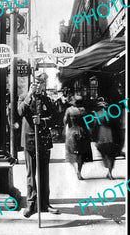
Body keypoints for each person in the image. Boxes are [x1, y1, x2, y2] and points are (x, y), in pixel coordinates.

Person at [17, 71, 60, 218]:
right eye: (36, 83)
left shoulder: (47, 100)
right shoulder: (23, 98)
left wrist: (43, 121)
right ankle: (31, 203)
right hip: (29, 141)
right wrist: (29, 95)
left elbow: (55, 119)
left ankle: (45, 203)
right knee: (31, 174)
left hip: (44, 141)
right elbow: (20, 111)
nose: (39, 86)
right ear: (31, 84)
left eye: (41, 83)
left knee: (44, 174)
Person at [63, 95, 93, 180]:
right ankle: (79, 172)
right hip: (82, 132)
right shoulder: (84, 110)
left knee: (71, 152)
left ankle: (75, 169)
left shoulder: (69, 110)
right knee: (81, 154)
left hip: (71, 133)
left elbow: (65, 121)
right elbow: (89, 122)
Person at [92, 99, 121, 179]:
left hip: (101, 135)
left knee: (104, 153)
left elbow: (95, 127)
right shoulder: (112, 115)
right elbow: (117, 127)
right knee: (111, 155)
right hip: (111, 136)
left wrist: (94, 138)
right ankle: (110, 172)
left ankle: (108, 168)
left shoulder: (97, 115)